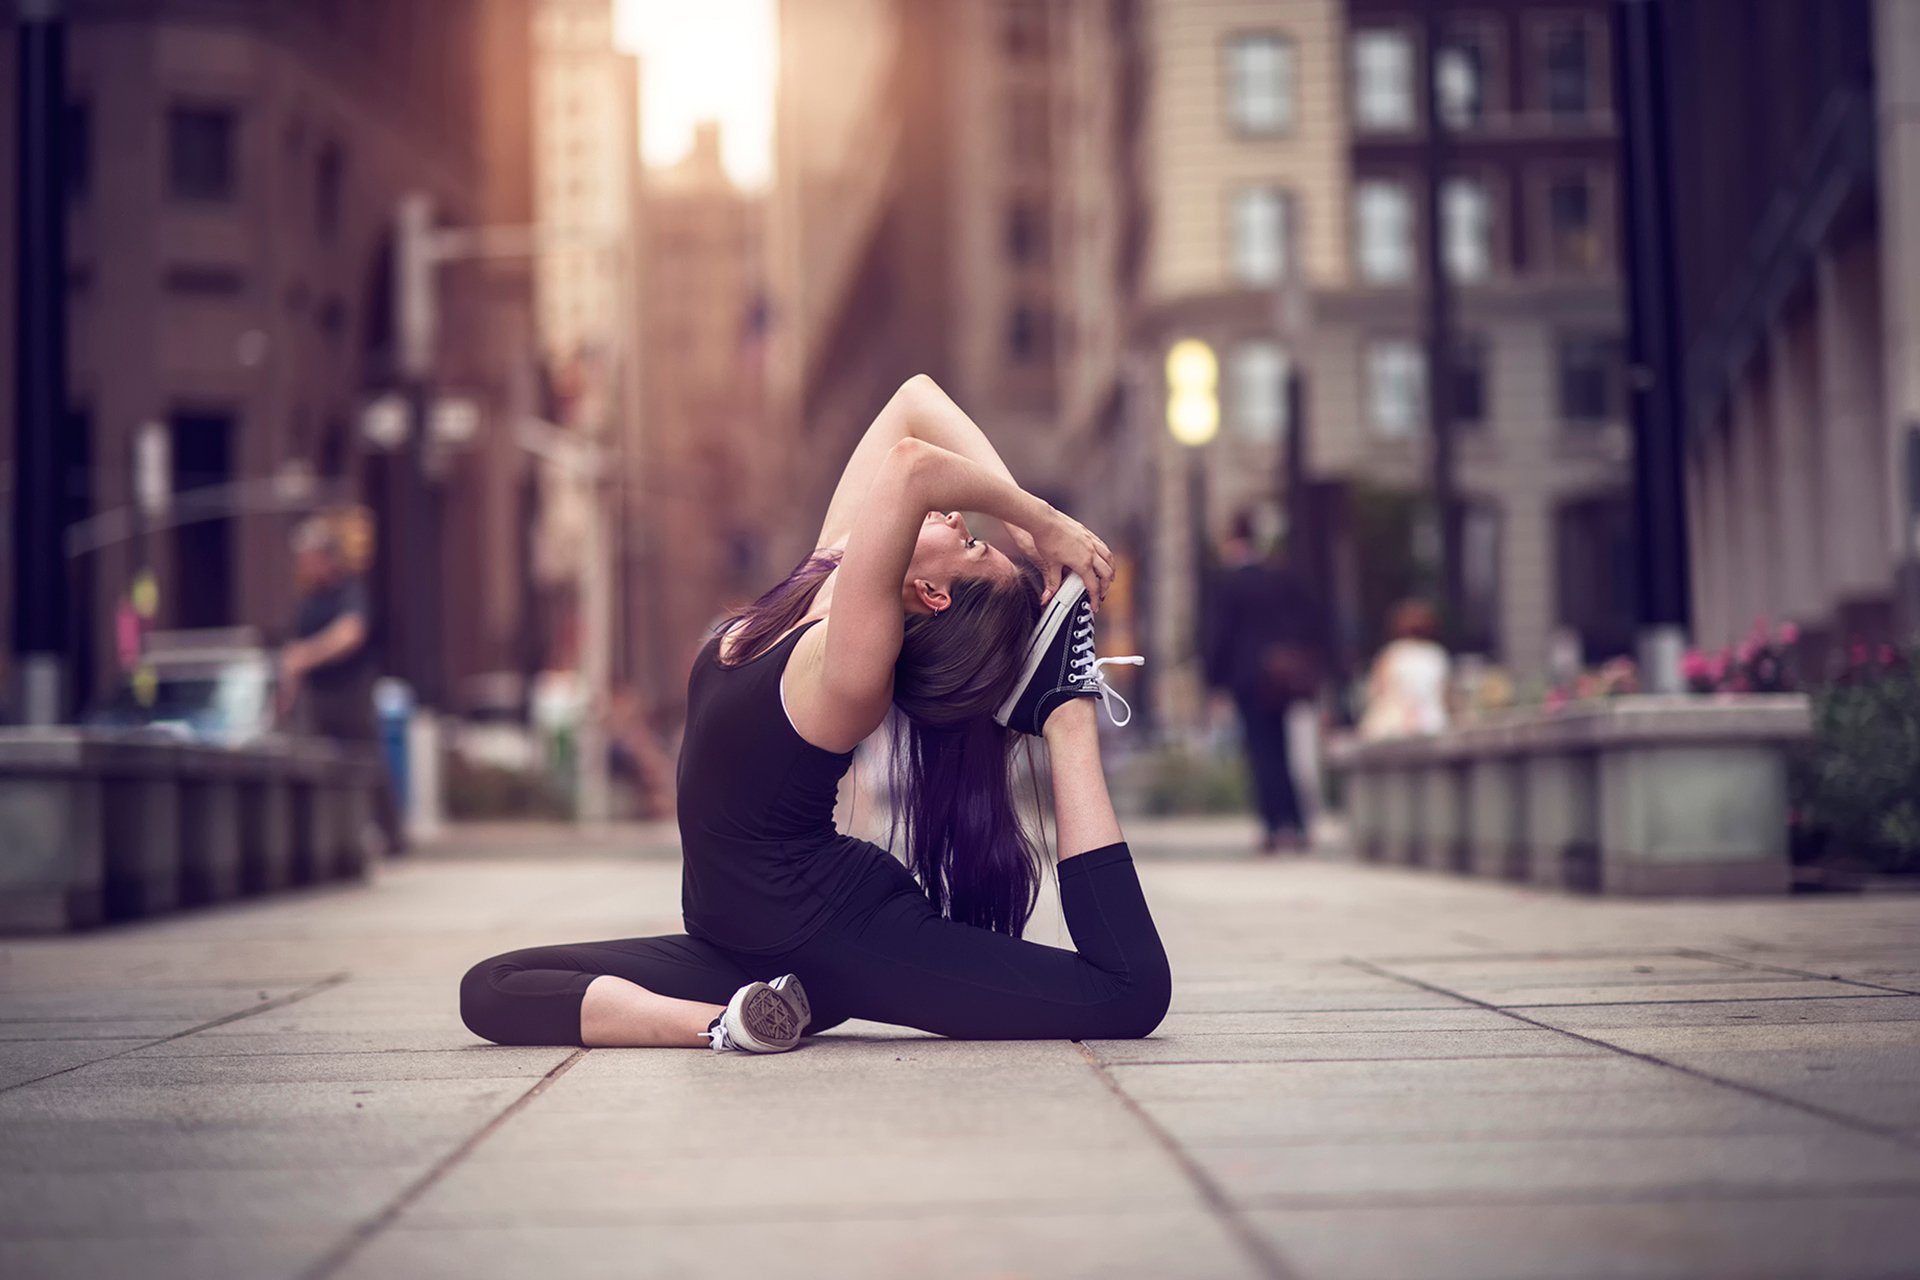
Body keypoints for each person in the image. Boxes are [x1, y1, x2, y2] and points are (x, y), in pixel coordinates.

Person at [458, 375, 1170, 1052]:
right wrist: (1028, 528)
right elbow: (914, 399)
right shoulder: (824, 578)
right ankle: (731, 1023)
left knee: (1127, 994)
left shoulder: (855, 665)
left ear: (931, 593)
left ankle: (1062, 707)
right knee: (492, 988)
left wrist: (1036, 520)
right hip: (742, 948)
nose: (962, 517)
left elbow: (914, 465)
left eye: (970, 542)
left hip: (837, 934)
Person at [280, 514, 403, 853]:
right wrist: (289, 686)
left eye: (309, 559)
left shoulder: (349, 592)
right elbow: (294, 654)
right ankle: (325, 839)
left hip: (351, 691)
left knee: (368, 762)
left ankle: (391, 835)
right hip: (317, 693)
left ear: (326, 559)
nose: (304, 567)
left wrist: (309, 654)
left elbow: (351, 633)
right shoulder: (308, 601)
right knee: (315, 766)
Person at [1202, 512, 1321, 854]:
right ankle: (1296, 824)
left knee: (1260, 751)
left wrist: (1215, 681)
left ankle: (1272, 826)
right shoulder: (1278, 576)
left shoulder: (1230, 583)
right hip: (1280, 677)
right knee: (1282, 749)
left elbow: (1221, 635)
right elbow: (1309, 618)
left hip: (1247, 678)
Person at [1359, 599, 1451, 740]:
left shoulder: (1392, 654)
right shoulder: (1437, 654)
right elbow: (1445, 696)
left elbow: (1378, 691)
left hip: (1398, 727)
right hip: (1433, 723)